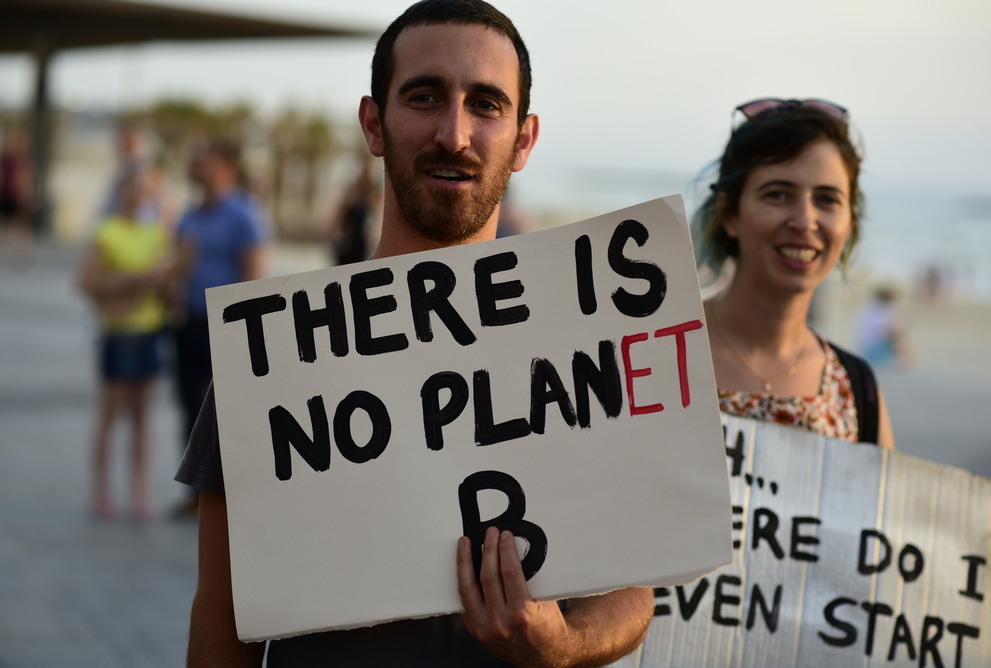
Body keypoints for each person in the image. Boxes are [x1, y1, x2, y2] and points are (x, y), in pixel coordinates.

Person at [176, 1, 653, 665]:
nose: (454, 134)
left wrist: (564, 646)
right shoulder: (275, 353)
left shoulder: (587, 339)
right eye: (425, 97)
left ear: (524, 140)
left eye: (486, 104)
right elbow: (222, 615)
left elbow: (633, 590)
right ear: (374, 123)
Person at [694, 98, 894, 448]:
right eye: (778, 194)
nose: (804, 221)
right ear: (730, 214)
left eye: (827, 199)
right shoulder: (651, 355)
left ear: (849, 222)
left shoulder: (855, 389)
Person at [171, 140, 271, 518]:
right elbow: (177, 263)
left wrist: (240, 334)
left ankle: (231, 502)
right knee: (190, 410)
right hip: (188, 324)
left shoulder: (244, 214)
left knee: (227, 416)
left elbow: (253, 272)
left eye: (205, 160)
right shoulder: (190, 214)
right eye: (194, 160)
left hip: (223, 329)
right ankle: (196, 495)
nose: (195, 166)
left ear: (227, 167)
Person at [78, 175, 172, 520]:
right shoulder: (107, 231)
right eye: (135, 189)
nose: (140, 196)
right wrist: (135, 278)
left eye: (146, 191)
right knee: (111, 412)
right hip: (119, 332)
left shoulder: (157, 233)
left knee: (142, 415)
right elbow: (86, 279)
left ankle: (140, 493)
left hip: (149, 330)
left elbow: (168, 277)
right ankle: (101, 490)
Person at [0, 126, 35, 265]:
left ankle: (21, 252)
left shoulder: (24, 159)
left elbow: (27, 178)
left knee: (21, 225)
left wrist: (27, 195)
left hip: (18, 195)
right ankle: (8, 250)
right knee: (5, 223)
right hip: (6, 194)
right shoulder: (6, 159)